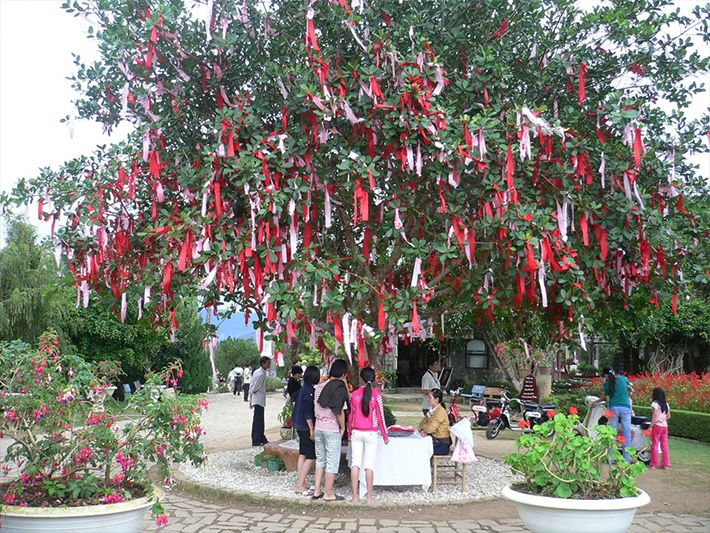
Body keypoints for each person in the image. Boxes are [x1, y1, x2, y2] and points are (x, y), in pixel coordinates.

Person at [349, 366, 389, 503]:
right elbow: (381, 417)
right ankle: (370, 497)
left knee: (355, 464)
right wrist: (385, 435)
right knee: (369, 465)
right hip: (371, 433)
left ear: (361, 378)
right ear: (374, 378)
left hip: (356, 431)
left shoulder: (354, 394)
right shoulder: (377, 395)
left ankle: (355, 496)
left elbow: (351, 416)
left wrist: (349, 433)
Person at [311, 359, 349, 502]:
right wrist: (343, 427)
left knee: (320, 460)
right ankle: (328, 494)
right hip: (332, 429)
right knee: (332, 462)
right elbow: (340, 412)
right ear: (344, 373)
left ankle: (316, 491)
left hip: (319, 427)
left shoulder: (320, 387)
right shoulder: (339, 388)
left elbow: (316, 408)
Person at [293, 365, 320, 495]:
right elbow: (308, 412)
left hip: (298, 424)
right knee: (311, 456)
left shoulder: (304, 389)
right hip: (305, 426)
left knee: (303, 453)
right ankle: (300, 485)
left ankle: (301, 481)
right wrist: (311, 429)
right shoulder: (309, 391)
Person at [604, 368, 633, 461]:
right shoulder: (623, 379)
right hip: (625, 407)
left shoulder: (607, 383)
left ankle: (612, 459)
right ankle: (626, 459)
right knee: (627, 433)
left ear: (605, 375)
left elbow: (607, 399)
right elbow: (631, 387)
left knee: (612, 432)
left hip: (613, 408)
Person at [418, 388, 451, 456]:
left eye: (430, 398)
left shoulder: (440, 411)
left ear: (436, 400)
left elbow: (429, 429)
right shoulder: (432, 411)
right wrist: (422, 430)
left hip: (441, 445)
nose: (428, 399)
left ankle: (423, 466)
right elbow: (420, 425)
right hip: (434, 441)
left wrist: (425, 429)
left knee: (418, 449)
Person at [249, 357, 271, 446]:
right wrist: (251, 392)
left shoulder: (259, 372)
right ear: (263, 363)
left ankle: (261, 437)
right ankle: (256, 440)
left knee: (260, 420)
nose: (269, 365)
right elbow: (256, 386)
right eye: (268, 363)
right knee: (258, 420)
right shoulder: (261, 373)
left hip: (258, 398)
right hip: (258, 398)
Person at [650, 387, 671, 469]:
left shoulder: (655, 404)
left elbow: (654, 415)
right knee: (664, 445)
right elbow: (668, 416)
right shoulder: (666, 404)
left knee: (654, 444)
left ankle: (654, 464)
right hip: (664, 426)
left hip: (657, 426)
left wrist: (651, 425)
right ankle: (665, 464)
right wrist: (662, 419)